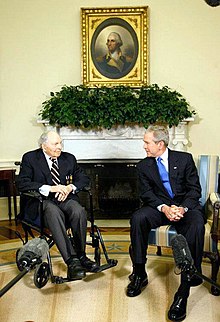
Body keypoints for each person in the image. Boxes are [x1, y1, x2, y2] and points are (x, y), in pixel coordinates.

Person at [126, 125, 205, 322]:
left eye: (147, 142)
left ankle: (184, 290)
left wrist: (182, 209)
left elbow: (195, 190)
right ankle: (139, 272)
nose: (144, 146)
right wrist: (164, 208)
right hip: (159, 208)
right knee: (138, 218)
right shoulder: (143, 165)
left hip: (185, 208)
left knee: (196, 224)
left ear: (160, 144)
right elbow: (146, 194)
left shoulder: (184, 159)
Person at [18, 131, 99, 281]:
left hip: (64, 199)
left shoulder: (69, 158)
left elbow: (84, 179)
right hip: (40, 202)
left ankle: (81, 255)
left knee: (78, 210)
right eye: (56, 144)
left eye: (60, 143)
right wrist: (50, 188)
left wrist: (70, 188)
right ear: (44, 146)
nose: (60, 147)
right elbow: (22, 183)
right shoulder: (30, 158)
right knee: (52, 211)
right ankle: (71, 261)